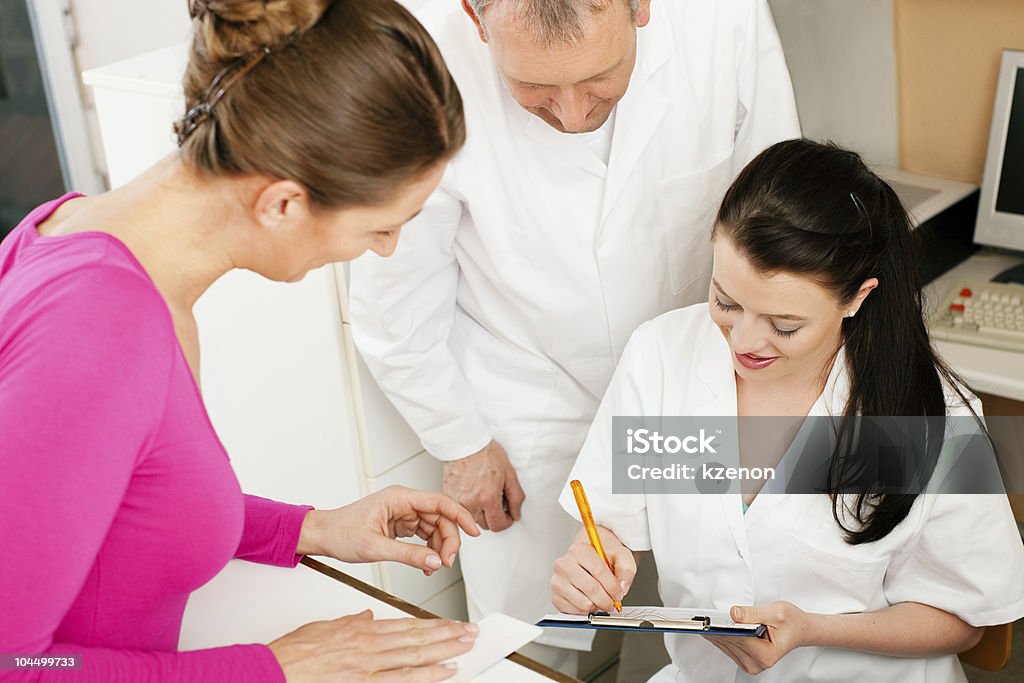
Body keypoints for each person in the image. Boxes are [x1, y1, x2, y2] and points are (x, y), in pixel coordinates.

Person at [0, 1, 479, 681]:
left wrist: (309, 528)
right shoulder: (98, 333)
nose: (387, 248)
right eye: (379, 228)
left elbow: (118, 499)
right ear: (282, 203)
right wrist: (271, 667)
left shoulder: (84, 233)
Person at [348, 0, 800, 668]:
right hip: (527, 403)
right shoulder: (417, 53)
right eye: (532, 91)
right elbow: (393, 292)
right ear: (476, 14)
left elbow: (782, 199)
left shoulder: (722, 15)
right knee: (523, 651)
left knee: (722, 634)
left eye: (599, 82)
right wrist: (460, 438)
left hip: (697, 384)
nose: (572, 115)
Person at [550, 138, 1024, 682]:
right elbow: (608, 525)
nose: (744, 340)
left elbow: (964, 620)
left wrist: (813, 629)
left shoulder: (928, 415)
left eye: (785, 325)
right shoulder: (661, 356)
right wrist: (591, 561)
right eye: (726, 301)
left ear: (856, 297)